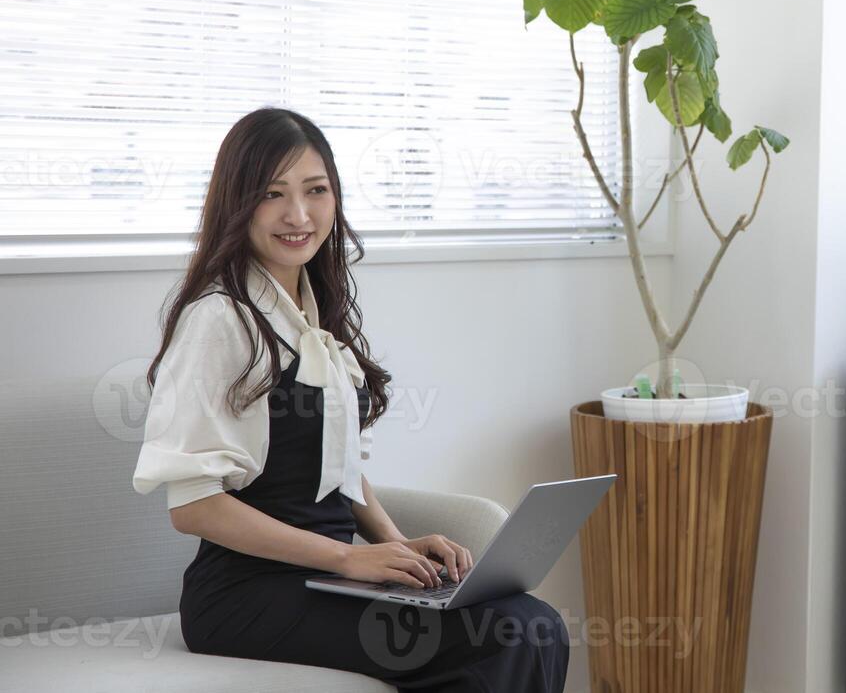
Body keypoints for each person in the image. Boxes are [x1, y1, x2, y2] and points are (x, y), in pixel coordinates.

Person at [132, 106, 569, 691]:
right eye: (272, 193)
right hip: (245, 596)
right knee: (509, 633)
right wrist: (347, 558)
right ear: (238, 203)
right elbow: (193, 507)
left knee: (538, 622)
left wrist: (394, 545)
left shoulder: (313, 314)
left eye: (316, 191)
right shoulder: (219, 319)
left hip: (324, 577)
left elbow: (339, 468)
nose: (299, 214)